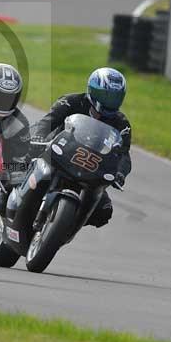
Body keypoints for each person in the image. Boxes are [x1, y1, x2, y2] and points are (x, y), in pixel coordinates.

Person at [29, 67, 132, 229]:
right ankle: (7, 196)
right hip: (55, 154)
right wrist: (38, 137)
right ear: (93, 90)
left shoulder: (122, 124)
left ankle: (64, 226)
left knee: (103, 211)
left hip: (90, 167)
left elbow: (124, 154)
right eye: (106, 95)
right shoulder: (71, 101)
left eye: (115, 97)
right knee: (19, 166)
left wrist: (120, 172)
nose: (110, 101)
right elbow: (47, 122)